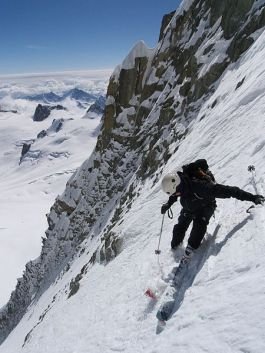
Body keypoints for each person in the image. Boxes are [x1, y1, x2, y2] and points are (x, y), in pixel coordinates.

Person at [161, 159, 264, 263]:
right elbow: (175, 194)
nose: (174, 196)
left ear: (178, 187)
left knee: (199, 225)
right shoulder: (181, 182)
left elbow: (230, 191)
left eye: (175, 193)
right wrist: (168, 204)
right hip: (189, 207)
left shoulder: (202, 187)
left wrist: (252, 198)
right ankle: (175, 248)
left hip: (205, 206)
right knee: (180, 227)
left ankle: (191, 247)